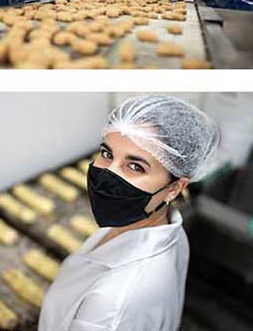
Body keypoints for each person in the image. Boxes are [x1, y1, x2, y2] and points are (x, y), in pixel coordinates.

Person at [38, 95, 221, 331]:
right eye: (107, 154)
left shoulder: (112, 307)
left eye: (135, 166)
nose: (108, 174)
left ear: (175, 188)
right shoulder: (163, 227)